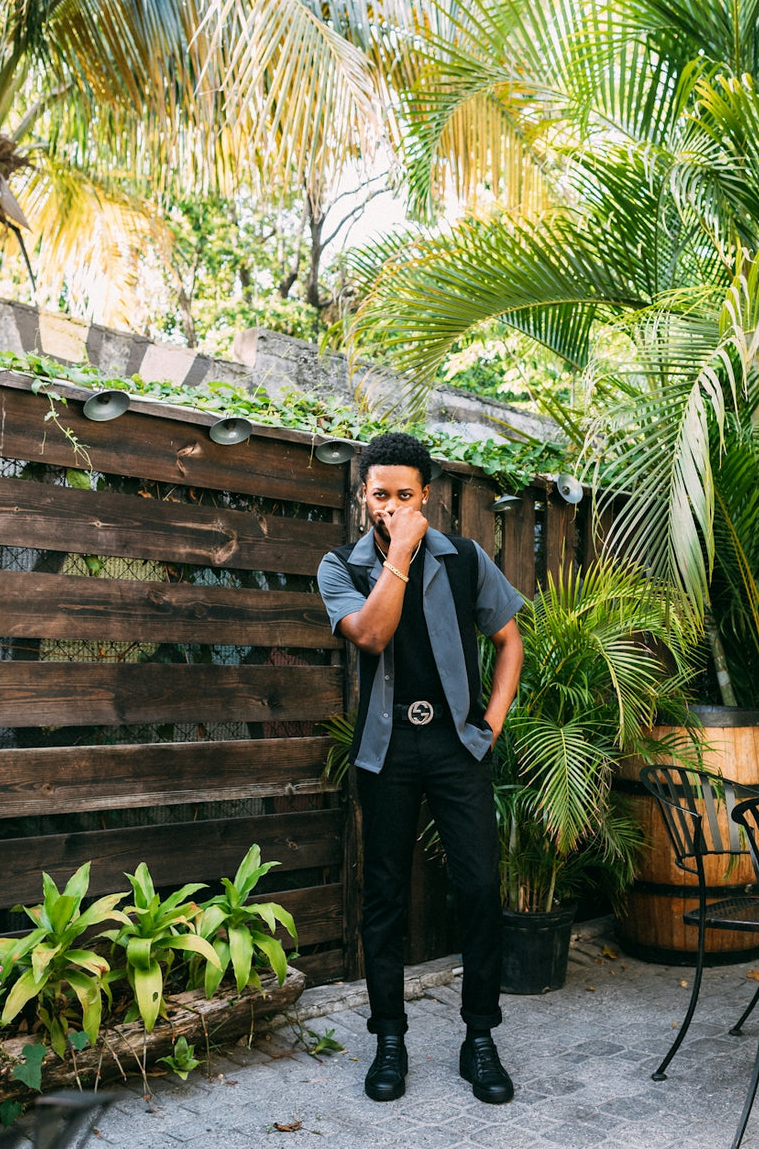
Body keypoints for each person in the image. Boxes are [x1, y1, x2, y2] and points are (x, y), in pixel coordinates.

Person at [317, 432, 524, 1105]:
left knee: (480, 886)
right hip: (385, 751)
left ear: (425, 495)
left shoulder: (464, 558)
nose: (392, 506)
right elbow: (372, 635)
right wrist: (399, 553)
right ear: (362, 497)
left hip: (455, 746)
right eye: (381, 494)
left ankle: (480, 1038)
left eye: (405, 494)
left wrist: (489, 723)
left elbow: (509, 639)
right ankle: (389, 1039)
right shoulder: (341, 569)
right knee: (383, 898)